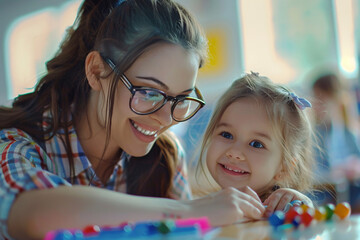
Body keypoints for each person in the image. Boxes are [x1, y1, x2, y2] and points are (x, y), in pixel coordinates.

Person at [0, 1, 265, 239]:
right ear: (96, 71)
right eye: (149, 92)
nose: (164, 119)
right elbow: (36, 213)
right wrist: (189, 209)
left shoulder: (165, 156)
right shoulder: (17, 142)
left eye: (179, 100)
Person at [193, 72, 316, 218]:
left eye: (256, 144)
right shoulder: (202, 209)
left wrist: (303, 208)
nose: (235, 152)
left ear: (285, 167)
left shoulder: (281, 212)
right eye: (226, 134)